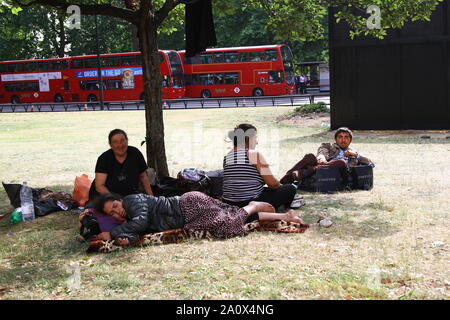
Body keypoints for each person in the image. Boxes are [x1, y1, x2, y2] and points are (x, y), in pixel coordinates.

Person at [93, 192, 304, 245]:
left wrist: (111, 232)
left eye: (115, 206)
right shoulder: (130, 218)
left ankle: (253, 206)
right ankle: (285, 215)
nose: (116, 212)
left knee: (227, 226)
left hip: (187, 206)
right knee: (229, 221)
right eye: (111, 213)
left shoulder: (132, 200)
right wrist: (125, 239)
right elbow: (137, 231)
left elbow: (141, 223)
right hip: (188, 217)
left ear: (120, 200)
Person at [221, 123, 297, 210]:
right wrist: (282, 188)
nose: (257, 142)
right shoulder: (253, 154)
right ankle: (274, 207)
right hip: (250, 203)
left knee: (265, 190)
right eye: (255, 138)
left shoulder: (227, 157)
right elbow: (273, 184)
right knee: (290, 188)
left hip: (229, 203)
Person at [280, 127, 374, 184]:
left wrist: (355, 155)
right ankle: (286, 178)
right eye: (340, 137)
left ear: (350, 140)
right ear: (336, 139)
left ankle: (310, 170)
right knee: (310, 156)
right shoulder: (328, 146)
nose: (343, 140)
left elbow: (371, 163)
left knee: (341, 161)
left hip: (338, 170)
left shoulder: (353, 153)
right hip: (325, 164)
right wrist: (321, 157)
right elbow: (322, 152)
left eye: (346, 137)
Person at [89, 129, 153, 202]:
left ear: (127, 141)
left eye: (122, 140)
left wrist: (152, 198)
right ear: (110, 145)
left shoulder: (135, 153)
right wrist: (116, 200)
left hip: (129, 196)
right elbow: (99, 186)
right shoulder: (104, 158)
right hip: (106, 196)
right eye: (115, 142)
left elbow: (143, 176)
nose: (120, 145)